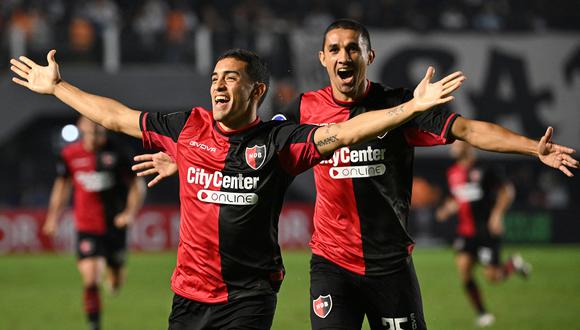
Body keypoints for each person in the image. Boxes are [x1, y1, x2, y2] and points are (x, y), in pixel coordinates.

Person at [133, 19, 578, 330]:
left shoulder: (401, 104)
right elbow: (251, 145)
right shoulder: (305, 109)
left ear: (369, 55)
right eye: (335, 49)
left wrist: (529, 147)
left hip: (390, 266)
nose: (344, 56)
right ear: (322, 59)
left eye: (353, 48)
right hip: (331, 266)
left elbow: (467, 129)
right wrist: (188, 157)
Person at [10, 48, 465, 329]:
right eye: (214, 77)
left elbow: (346, 133)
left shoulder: (279, 143)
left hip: (248, 297)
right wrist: (58, 87)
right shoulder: (187, 128)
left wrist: (409, 109)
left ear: (257, 90)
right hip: (187, 295)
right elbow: (116, 116)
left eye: (231, 77)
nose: (218, 84)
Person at [43, 116, 146, 330]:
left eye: (98, 133)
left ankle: (115, 270)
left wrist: (129, 213)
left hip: (115, 225)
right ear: (81, 132)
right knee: (91, 278)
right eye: (90, 133)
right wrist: (53, 217)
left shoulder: (118, 152)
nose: (94, 138)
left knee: (115, 280)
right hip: (86, 225)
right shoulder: (70, 155)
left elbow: (137, 184)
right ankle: (94, 325)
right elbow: (62, 187)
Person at [436, 141, 531, 327]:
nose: (452, 144)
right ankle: (482, 313)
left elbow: (507, 191)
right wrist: (447, 209)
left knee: (493, 277)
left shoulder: (485, 169)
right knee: (463, 269)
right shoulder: (452, 172)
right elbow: (458, 199)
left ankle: (512, 265)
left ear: (467, 145)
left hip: (487, 230)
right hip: (465, 232)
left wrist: (497, 215)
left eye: (456, 141)